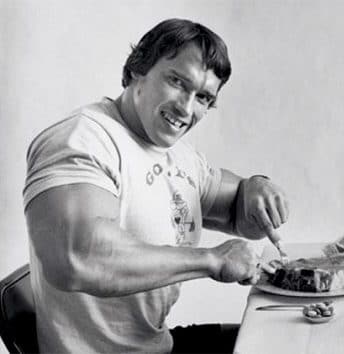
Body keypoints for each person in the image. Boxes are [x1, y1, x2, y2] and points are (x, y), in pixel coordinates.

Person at [23, 18, 289, 353]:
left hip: (156, 345)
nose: (186, 108)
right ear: (139, 70)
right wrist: (211, 260)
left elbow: (238, 210)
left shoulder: (177, 154)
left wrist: (256, 187)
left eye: (204, 97)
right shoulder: (82, 140)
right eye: (177, 82)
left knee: (285, 340)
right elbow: (78, 259)